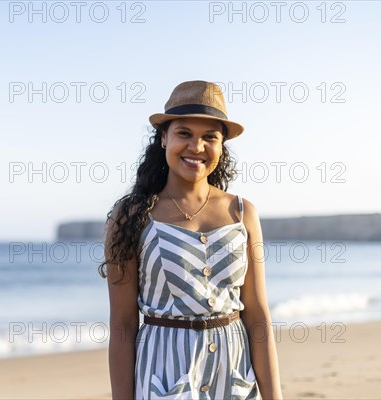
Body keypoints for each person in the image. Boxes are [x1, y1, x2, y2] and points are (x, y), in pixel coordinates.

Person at [98, 81, 283, 399]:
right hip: (163, 372)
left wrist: (274, 396)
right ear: (164, 138)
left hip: (233, 370)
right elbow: (124, 325)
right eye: (184, 133)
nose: (196, 147)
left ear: (222, 145)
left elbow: (258, 316)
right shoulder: (130, 216)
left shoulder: (242, 212)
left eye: (209, 137)